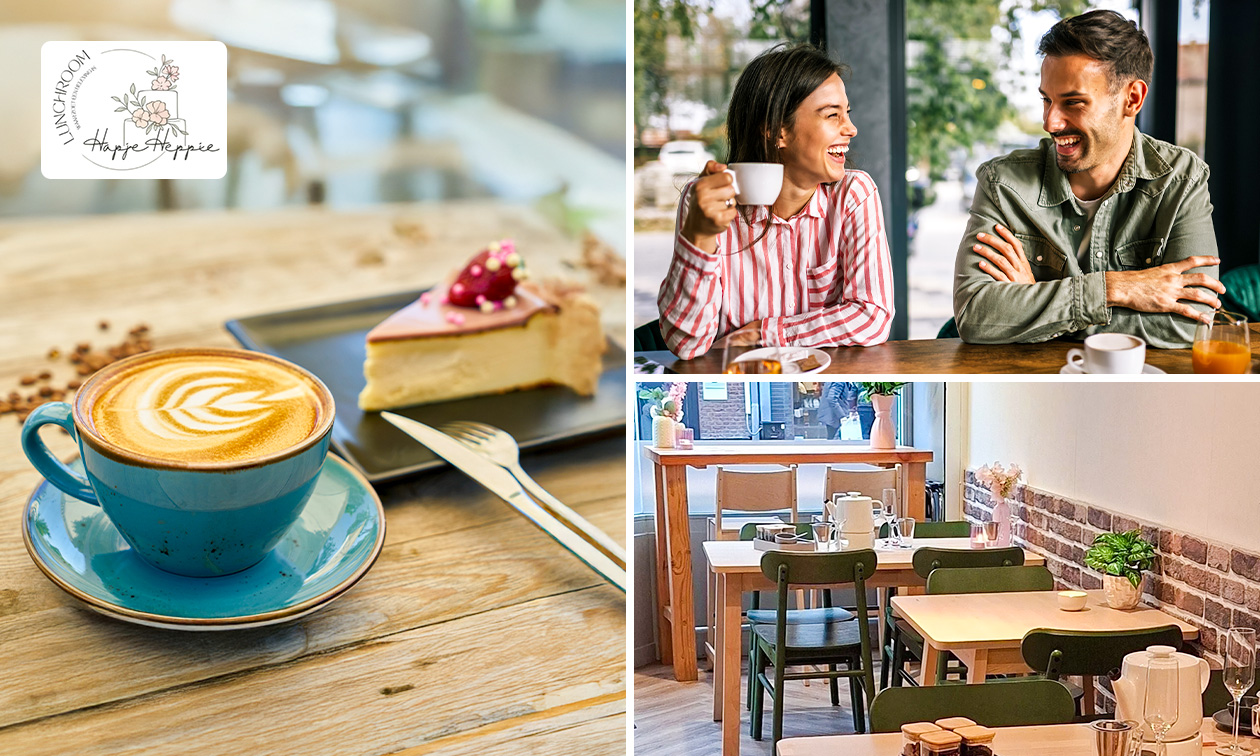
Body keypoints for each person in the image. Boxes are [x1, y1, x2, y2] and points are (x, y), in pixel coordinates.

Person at [952, 10, 1224, 348]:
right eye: (1046, 100)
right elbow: (977, 316)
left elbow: (1190, 325)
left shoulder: (1182, 180)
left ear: (1132, 99)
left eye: (1073, 103)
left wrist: (1038, 304)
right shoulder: (1003, 184)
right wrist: (1117, 288)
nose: (1050, 123)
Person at [657, 44, 894, 360]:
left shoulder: (854, 194)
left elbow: (872, 317)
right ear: (777, 131)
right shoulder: (705, 201)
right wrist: (700, 237)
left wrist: (764, 333)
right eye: (832, 115)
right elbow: (687, 344)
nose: (850, 129)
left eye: (846, 113)